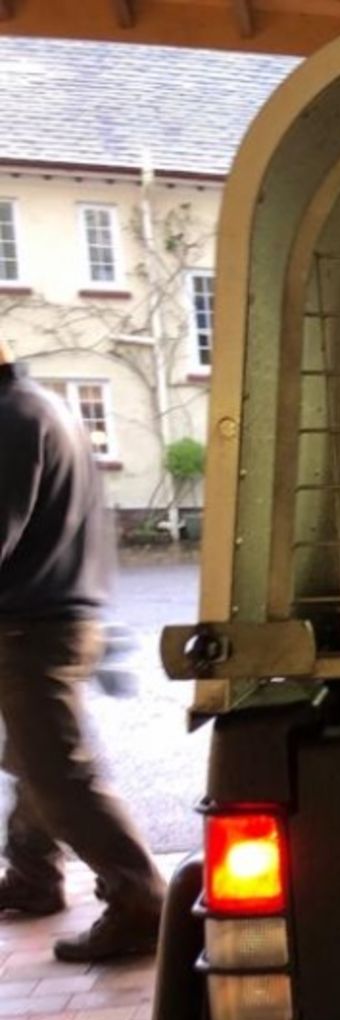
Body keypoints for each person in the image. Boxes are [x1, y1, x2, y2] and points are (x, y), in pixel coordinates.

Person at [0, 339, 163, 961]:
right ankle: (33, 874)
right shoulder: (42, 407)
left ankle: (140, 901)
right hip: (64, 611)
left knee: (57, 771)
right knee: (34, 755)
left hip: (33, 622)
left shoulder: (10, 420)